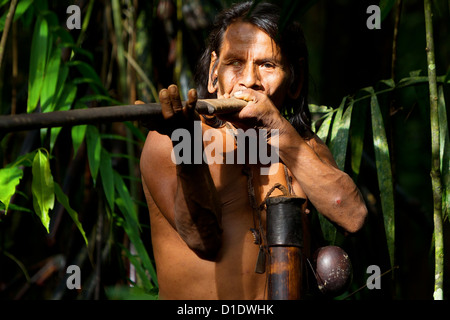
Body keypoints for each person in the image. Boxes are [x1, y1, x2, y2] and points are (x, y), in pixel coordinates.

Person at [139, 1, 367, 300]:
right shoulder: (170, 139)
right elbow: (201, 240)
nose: (248, 81)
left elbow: (352, 216)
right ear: (213, 73)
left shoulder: (302, 146)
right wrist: (187, 141)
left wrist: (277, 128)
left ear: (294, 80)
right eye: (234, 63)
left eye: (267, 65)